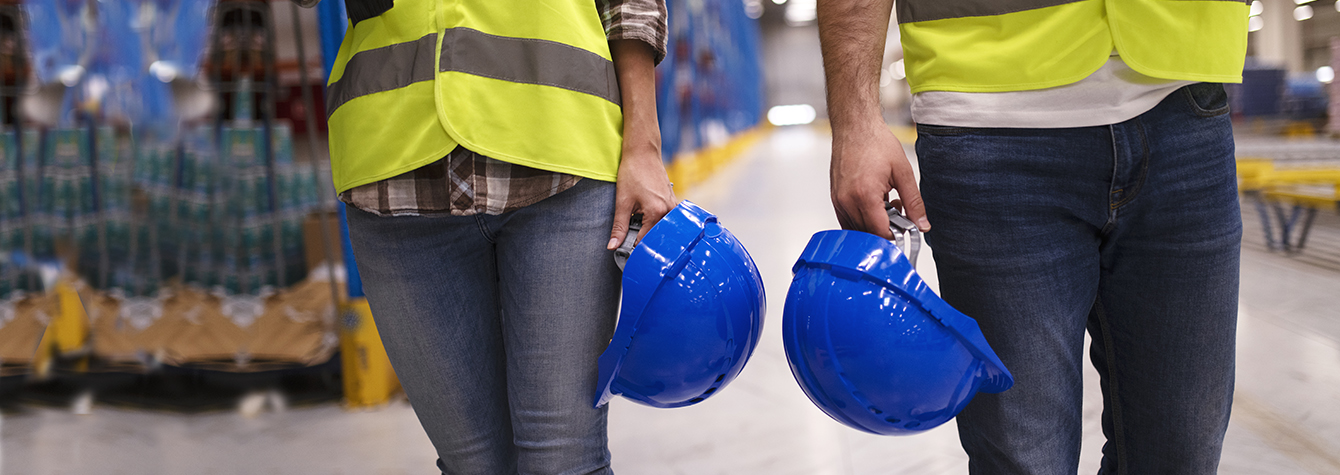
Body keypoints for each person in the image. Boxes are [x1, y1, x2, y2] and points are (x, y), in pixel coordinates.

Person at [816, 1, 1246, 473]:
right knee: (1023, 461)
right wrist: (855, 120)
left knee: (1182, 455)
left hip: (1187, 100)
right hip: (990, 116)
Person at [310, 0, 673, 473]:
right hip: (393, 166)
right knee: (472, 465)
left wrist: (643, 145)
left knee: (563, 460)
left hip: (561, 149)